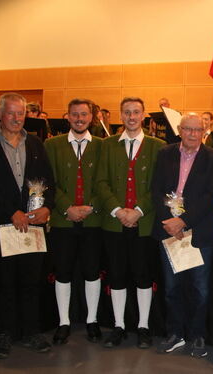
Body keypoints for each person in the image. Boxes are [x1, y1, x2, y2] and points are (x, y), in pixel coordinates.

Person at [0, 92, 56, 359]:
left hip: (32, 226)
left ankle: (31, 331)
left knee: (32, 280)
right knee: (5, 281)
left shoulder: (35, 143)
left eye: (21, 113)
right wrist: (11, 213)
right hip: (3, 225)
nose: (17, 118)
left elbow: (48, 181)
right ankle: (5, 333)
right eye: (11, 113)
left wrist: (46, 208)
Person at [94, 97, 165, 349]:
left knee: (143, 276)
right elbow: (100, 182)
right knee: (117, 275)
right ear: (120, 116)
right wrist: (117, 210)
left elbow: (159, 186)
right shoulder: (107, 145)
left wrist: (137, 211)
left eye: (136, 112)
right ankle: (119, 325)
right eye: (127, 112)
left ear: (143, 115)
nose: (131, 116)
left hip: (144, 223)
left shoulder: (158, 146)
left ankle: (143, 326)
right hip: (114, 223)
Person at [152, 112, 213, 358]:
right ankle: (175, 334)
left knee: (200, 289)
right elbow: (156, 189)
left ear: (203, 132)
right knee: (172, 287)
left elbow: (210, 196)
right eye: (188, 129)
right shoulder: (165, 154)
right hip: (168, 231)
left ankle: (197, 336)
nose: (193, 134)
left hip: (199, 232)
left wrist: (183, 221)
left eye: (198, 130)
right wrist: (170, 223)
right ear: (180, 130)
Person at [44, 98, 104, 345]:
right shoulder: (51, 145)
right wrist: (67, 208)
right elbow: (49, 181)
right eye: (74, 114)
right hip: (63, 221)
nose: (79, 119)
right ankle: (64, 322)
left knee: (92, 272)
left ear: (91, 117)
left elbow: (106, 180)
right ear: (67, 116)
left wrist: (91, 207)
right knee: (63, 272)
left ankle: (92, 320)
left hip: (93, 221)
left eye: (84, 115)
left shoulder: (103, 146)